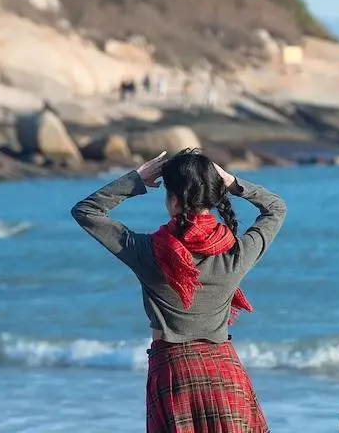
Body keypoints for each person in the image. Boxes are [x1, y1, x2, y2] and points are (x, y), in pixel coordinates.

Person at [71, 149, 286, 432]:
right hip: (225, 373)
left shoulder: (147, 251)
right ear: (213, 195)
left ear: (173, 200)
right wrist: (232, 182)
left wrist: (137, 179)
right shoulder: (236, 252)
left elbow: (86, 211)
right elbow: (276, 208)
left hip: (174, 376)